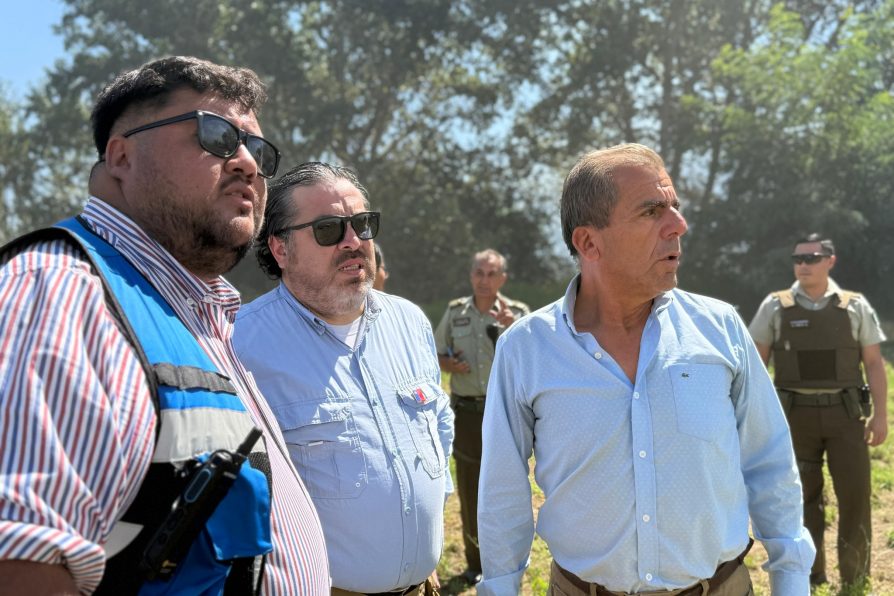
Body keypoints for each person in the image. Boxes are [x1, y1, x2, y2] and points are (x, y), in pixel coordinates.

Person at [0, 56, 330, 595]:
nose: (248, 163)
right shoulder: (61, 293)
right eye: (217, 135)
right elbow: (18, 567)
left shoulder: (195, 311)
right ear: (122, 155)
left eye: (258, 150)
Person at [477, 143, 816, 596]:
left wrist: (791, 580)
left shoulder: (719, 328)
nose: (678, 224)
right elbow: (502, 489)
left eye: (674, 207)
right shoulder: (527, 348)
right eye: (652, 210)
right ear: (588, 242)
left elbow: (768, 459)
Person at [232, 162, 454, 596]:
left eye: (363, 225)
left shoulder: (409, 322)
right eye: (329, 229)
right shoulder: (240, 345)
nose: (353, 242)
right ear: (280, 249)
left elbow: (438, 430)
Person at [749, 233, 888, 588]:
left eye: (811, 258)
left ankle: (856, 577)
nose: (803, 265)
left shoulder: (854, 306)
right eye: (798, 259)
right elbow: (754, 365)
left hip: (846, 417)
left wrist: (881, 415)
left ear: (830, 260)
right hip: (794, 418)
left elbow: (873, 363)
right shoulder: (774, 306)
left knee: (855, 497)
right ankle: (809, 577)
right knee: (800, 499)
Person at [433, 248, 529, 584]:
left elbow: (532, 361)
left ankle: (509, 561)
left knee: (508, 488)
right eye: (479, 273)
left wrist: (513, 328)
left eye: (492, 274)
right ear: (471, 275)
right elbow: (436, 353)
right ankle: (476, 563)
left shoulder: (517, 315)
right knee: (471, 489)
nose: (484, 280)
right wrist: (449, 364)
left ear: (502, 278)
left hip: (505, 413)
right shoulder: (455, 312)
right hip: (468, 413)